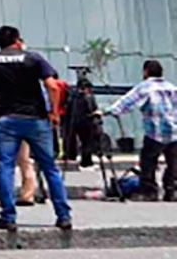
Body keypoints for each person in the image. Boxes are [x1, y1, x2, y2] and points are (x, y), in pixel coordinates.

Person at [0, 25, 72, 232]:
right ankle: (63, 215)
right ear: (17, 40)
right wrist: (54, 112)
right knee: (49, 168)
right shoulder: (33, 58)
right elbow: (53, 86)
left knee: (6, 166)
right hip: (35, 118)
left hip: (6, 118)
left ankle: (8, 216)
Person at [105, 59, 177, 202]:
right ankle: (171, 190)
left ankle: (150, 191)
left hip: (155, 132)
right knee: (174, 163)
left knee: (148, 162)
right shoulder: (172, 88)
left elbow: (127, 102)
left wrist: (107, 111)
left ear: (146, 72)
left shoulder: (145, 88)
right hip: (174, 132)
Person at [65, 78, 99, 168]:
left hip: (74, 123)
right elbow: (92, 109)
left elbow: (68, 110)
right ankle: (86, 162)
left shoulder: (72, 96)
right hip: (86, 122)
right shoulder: (88, 96)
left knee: (74, 141)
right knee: (87, 142)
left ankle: (71, 156)